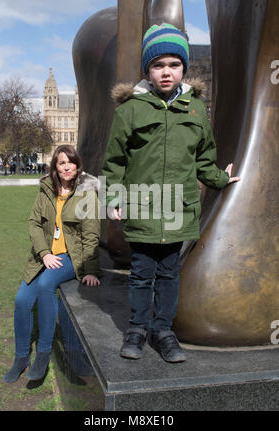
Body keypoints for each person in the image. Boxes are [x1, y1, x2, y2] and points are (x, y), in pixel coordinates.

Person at [101, 23, 240, 363]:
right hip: (145, 206)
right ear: (148, 69)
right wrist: (115, 199)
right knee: (141, 273)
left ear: (183, 68)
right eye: (158, 65)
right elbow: (115, 161)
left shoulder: (194, 110)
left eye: (174, 65)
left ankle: (163, 331)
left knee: (168, 275)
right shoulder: (131, 110)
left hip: (178, 208)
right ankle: (136, 329)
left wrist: (220, 179)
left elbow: (204, 157)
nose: (166, 72)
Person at [3, 144, 101, 382]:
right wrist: (45, 253)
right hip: (44, 255)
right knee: (22, 300)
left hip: (70, 256)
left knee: (46, 284)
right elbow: (34, 223)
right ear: (55, 168)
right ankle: (21, 357)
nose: (66, 167)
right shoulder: (46, 190)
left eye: (71, 162)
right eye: (61, 163)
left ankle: (44, 353)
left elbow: (91, 235)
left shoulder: (87, 194)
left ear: (77, 166)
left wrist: (91, 270)